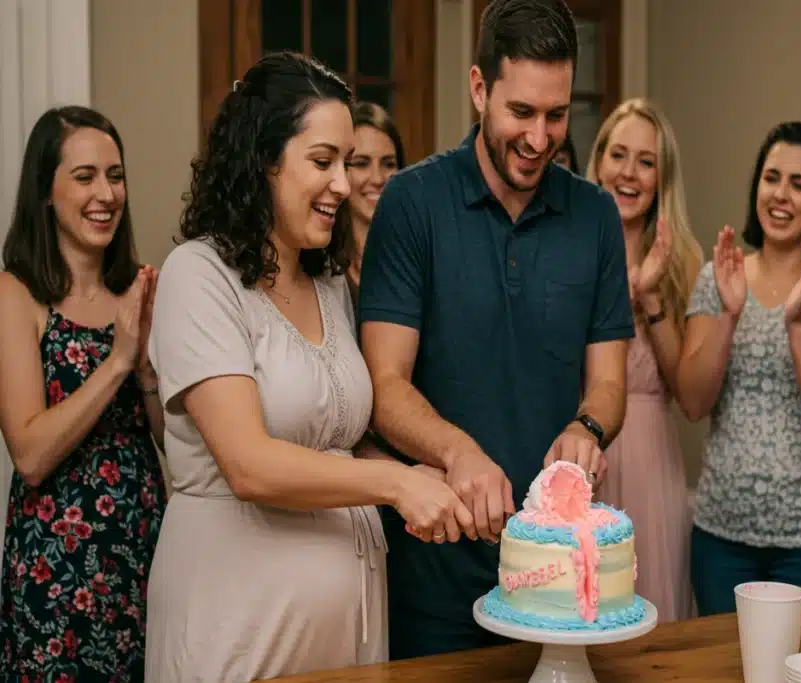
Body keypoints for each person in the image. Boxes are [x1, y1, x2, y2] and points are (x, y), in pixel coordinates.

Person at [143, 52, 471, 682]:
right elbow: (250, 464)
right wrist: (396, 488)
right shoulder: (198, 276)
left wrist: (423, 476)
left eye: (346, 163)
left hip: (344, 632)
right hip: (238, 626)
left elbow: (334, 445)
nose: (345, 185)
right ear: (262, 162)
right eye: (323, 162)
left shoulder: (325, 282)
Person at [359, 0, 634, 659]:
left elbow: (608, 380)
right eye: (521, 112)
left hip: (560, 591)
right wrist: (458, 452)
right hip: (434, 574)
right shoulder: (411, 203)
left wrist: (587, 427)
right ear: (479, 88)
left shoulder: (595, 215)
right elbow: (384, 384)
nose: (540, 138)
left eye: (556, 115)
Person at [0, 105, 166, 680]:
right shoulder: (17, 295)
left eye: (115, 176)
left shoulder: (140, 288)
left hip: (145, 555)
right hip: (57, 573)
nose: (106, 194)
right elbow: (30, 455)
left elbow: (175, 444)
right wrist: (117, 361)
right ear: (45, 191)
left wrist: (145, 371)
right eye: (85, 176)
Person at [679, 121, 801, 624]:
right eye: (771, 178)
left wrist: (797, 322)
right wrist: (729, 313)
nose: (781, 195)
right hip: (721, 540)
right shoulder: (717, 277)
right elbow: (694, 403)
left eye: (799, 184)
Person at [585, 97, 703, 622]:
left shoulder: (684, 261)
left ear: (662, 178)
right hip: (584, 452)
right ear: (599, 161)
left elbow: (690, 391)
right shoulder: (569, 245)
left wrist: (651, 299)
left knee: (652, 624)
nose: (628, 173)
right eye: (618, 155)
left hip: (654, 462)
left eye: (646, 161)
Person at [340, 101, 405, 299]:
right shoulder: (320, 266)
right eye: (361, 164)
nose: (377, 179)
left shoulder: (413, 257)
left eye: (388, 164)